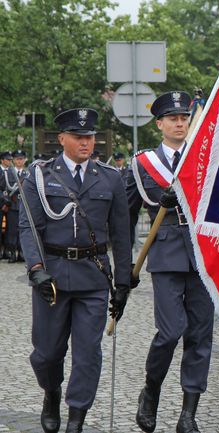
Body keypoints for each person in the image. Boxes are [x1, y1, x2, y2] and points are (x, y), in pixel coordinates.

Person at [19, 107, 132, 433]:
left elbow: (122, 235)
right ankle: (51, 393)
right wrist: (37, 270)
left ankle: (76, 419)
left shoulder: (109, 178)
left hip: (93, 277)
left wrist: (122, 284)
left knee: (87, 354)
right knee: (46, 353)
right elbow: (29, 228)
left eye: (90, 136)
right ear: (62, 139)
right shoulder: (39, 176)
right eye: (79, 137)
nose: (86, 142)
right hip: (51, 277)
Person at [127, 91, 215, 433]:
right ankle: (150, 391)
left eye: (184, 118)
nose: (180, 123)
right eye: (173, 119)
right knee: (170, 331)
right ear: (159, 124)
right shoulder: (143, 163)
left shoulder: (205, 158)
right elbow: (126, 213)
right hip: (164, 254)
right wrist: (123, 269)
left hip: (202, 255)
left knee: (201, 334)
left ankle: (188, 412)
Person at [2, 150, 29, 262]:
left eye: (21, 159)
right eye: (17, 159)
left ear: (24, 160)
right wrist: (6, 200)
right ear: (13, 160)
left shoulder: (27, 174)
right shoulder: (8, 173)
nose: (19, 161)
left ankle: (22, 253)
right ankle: (12, 253)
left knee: (22, 230)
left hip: (24, 206)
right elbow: (3, 188)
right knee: (12, 230)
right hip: (12, 205)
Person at [0, 151, 13, 259]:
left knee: (10, 229)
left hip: (10, 204)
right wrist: (3, 199)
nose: (10, 162)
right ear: (2, 160)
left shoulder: (11, 172)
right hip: (1, 203)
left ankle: (7, 251)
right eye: (8, 160)